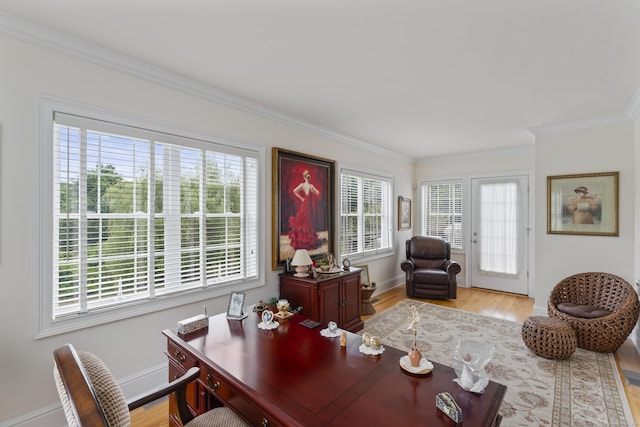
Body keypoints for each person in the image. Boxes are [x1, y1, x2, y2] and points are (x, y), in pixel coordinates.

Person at [288, 170, 321, 250]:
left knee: (307, 222)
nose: (308, 177)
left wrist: (311, 191)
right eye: (307, 176)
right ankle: (302, 242)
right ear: (304, 177)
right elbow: (295, 191)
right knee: (303, 221)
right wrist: (302, 198)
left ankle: (306, 242)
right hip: (305, 204)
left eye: (308, 175)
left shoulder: (310, 186)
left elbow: (317, 192)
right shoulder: (304, 185)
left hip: (308, 205)